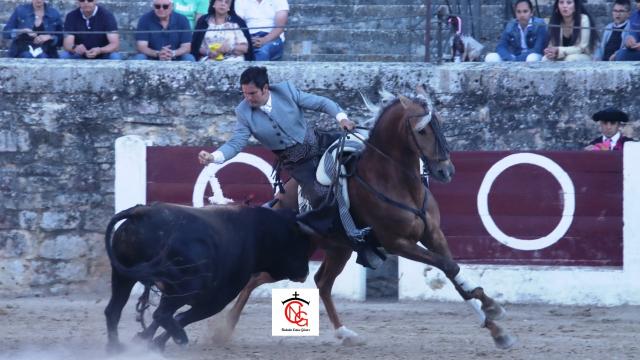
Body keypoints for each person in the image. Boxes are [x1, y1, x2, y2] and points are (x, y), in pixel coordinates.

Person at [197, 67, 382, 268]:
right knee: (321, 196)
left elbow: (321, 103)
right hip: (298, 164)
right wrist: (213, 156)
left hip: (319, 142)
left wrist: (342, 118)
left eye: (252, 93)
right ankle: (358, 242)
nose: (247, 98)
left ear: (265, 88)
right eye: (244, 93)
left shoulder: (285, 91)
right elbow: (235, 143)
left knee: (365, 150)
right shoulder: (243, 112)